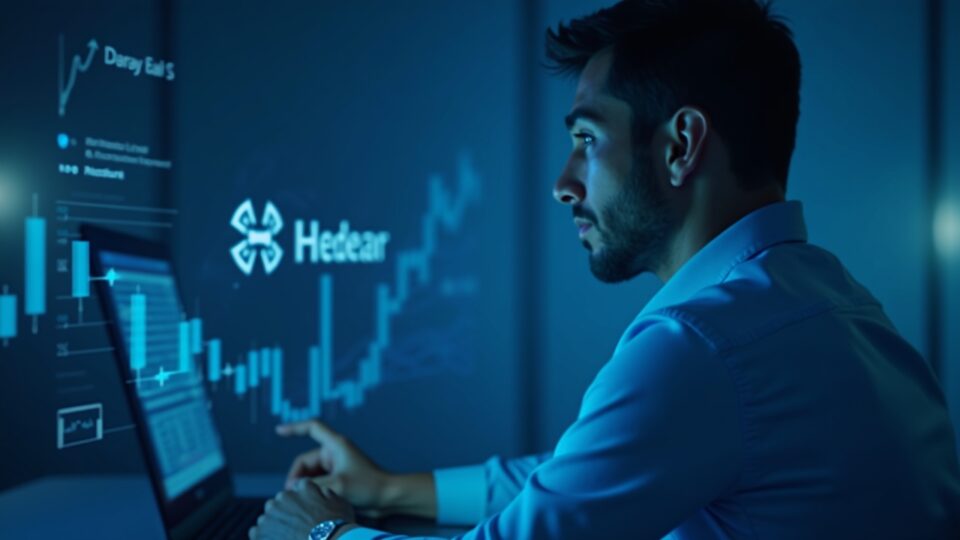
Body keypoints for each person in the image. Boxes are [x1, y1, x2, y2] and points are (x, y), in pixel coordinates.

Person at [250, 0, 960, 538]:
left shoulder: (706, 345)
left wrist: (320, 532)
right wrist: (386, 489)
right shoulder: (826, 306)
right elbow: (580, 481)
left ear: (681, 145)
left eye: (587, 139)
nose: (564, 182)